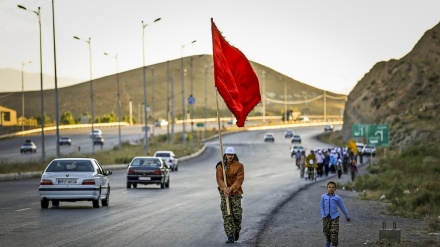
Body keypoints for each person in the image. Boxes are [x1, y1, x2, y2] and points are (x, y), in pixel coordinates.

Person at [216, 146, 245, 244]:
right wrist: (224, 189)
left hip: (235, 193)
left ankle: (236, 230)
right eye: (228, 154)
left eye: (231, 155)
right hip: (224, 193)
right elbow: (219, 179)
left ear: (234, 155)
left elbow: (239, 180)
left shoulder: (239, 166)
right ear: (225, 155)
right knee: (227, 215)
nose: (230, 156)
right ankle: (230, 235)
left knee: (237, 215)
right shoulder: (220, 166)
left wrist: (230, 189)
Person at [320, 181, 351, 247]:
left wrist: (347, 216)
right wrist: (323, 215)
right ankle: (328, 242)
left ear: (335, 189)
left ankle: (334, 245)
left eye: (333, 187)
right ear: (327, 188)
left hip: (335, 218)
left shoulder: (337, 198)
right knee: (326, 232)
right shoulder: (323, 197)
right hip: (326, 217)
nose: (331, 188)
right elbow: (321, 206)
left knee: (334, 233)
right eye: (329, 187)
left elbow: (342, 207)